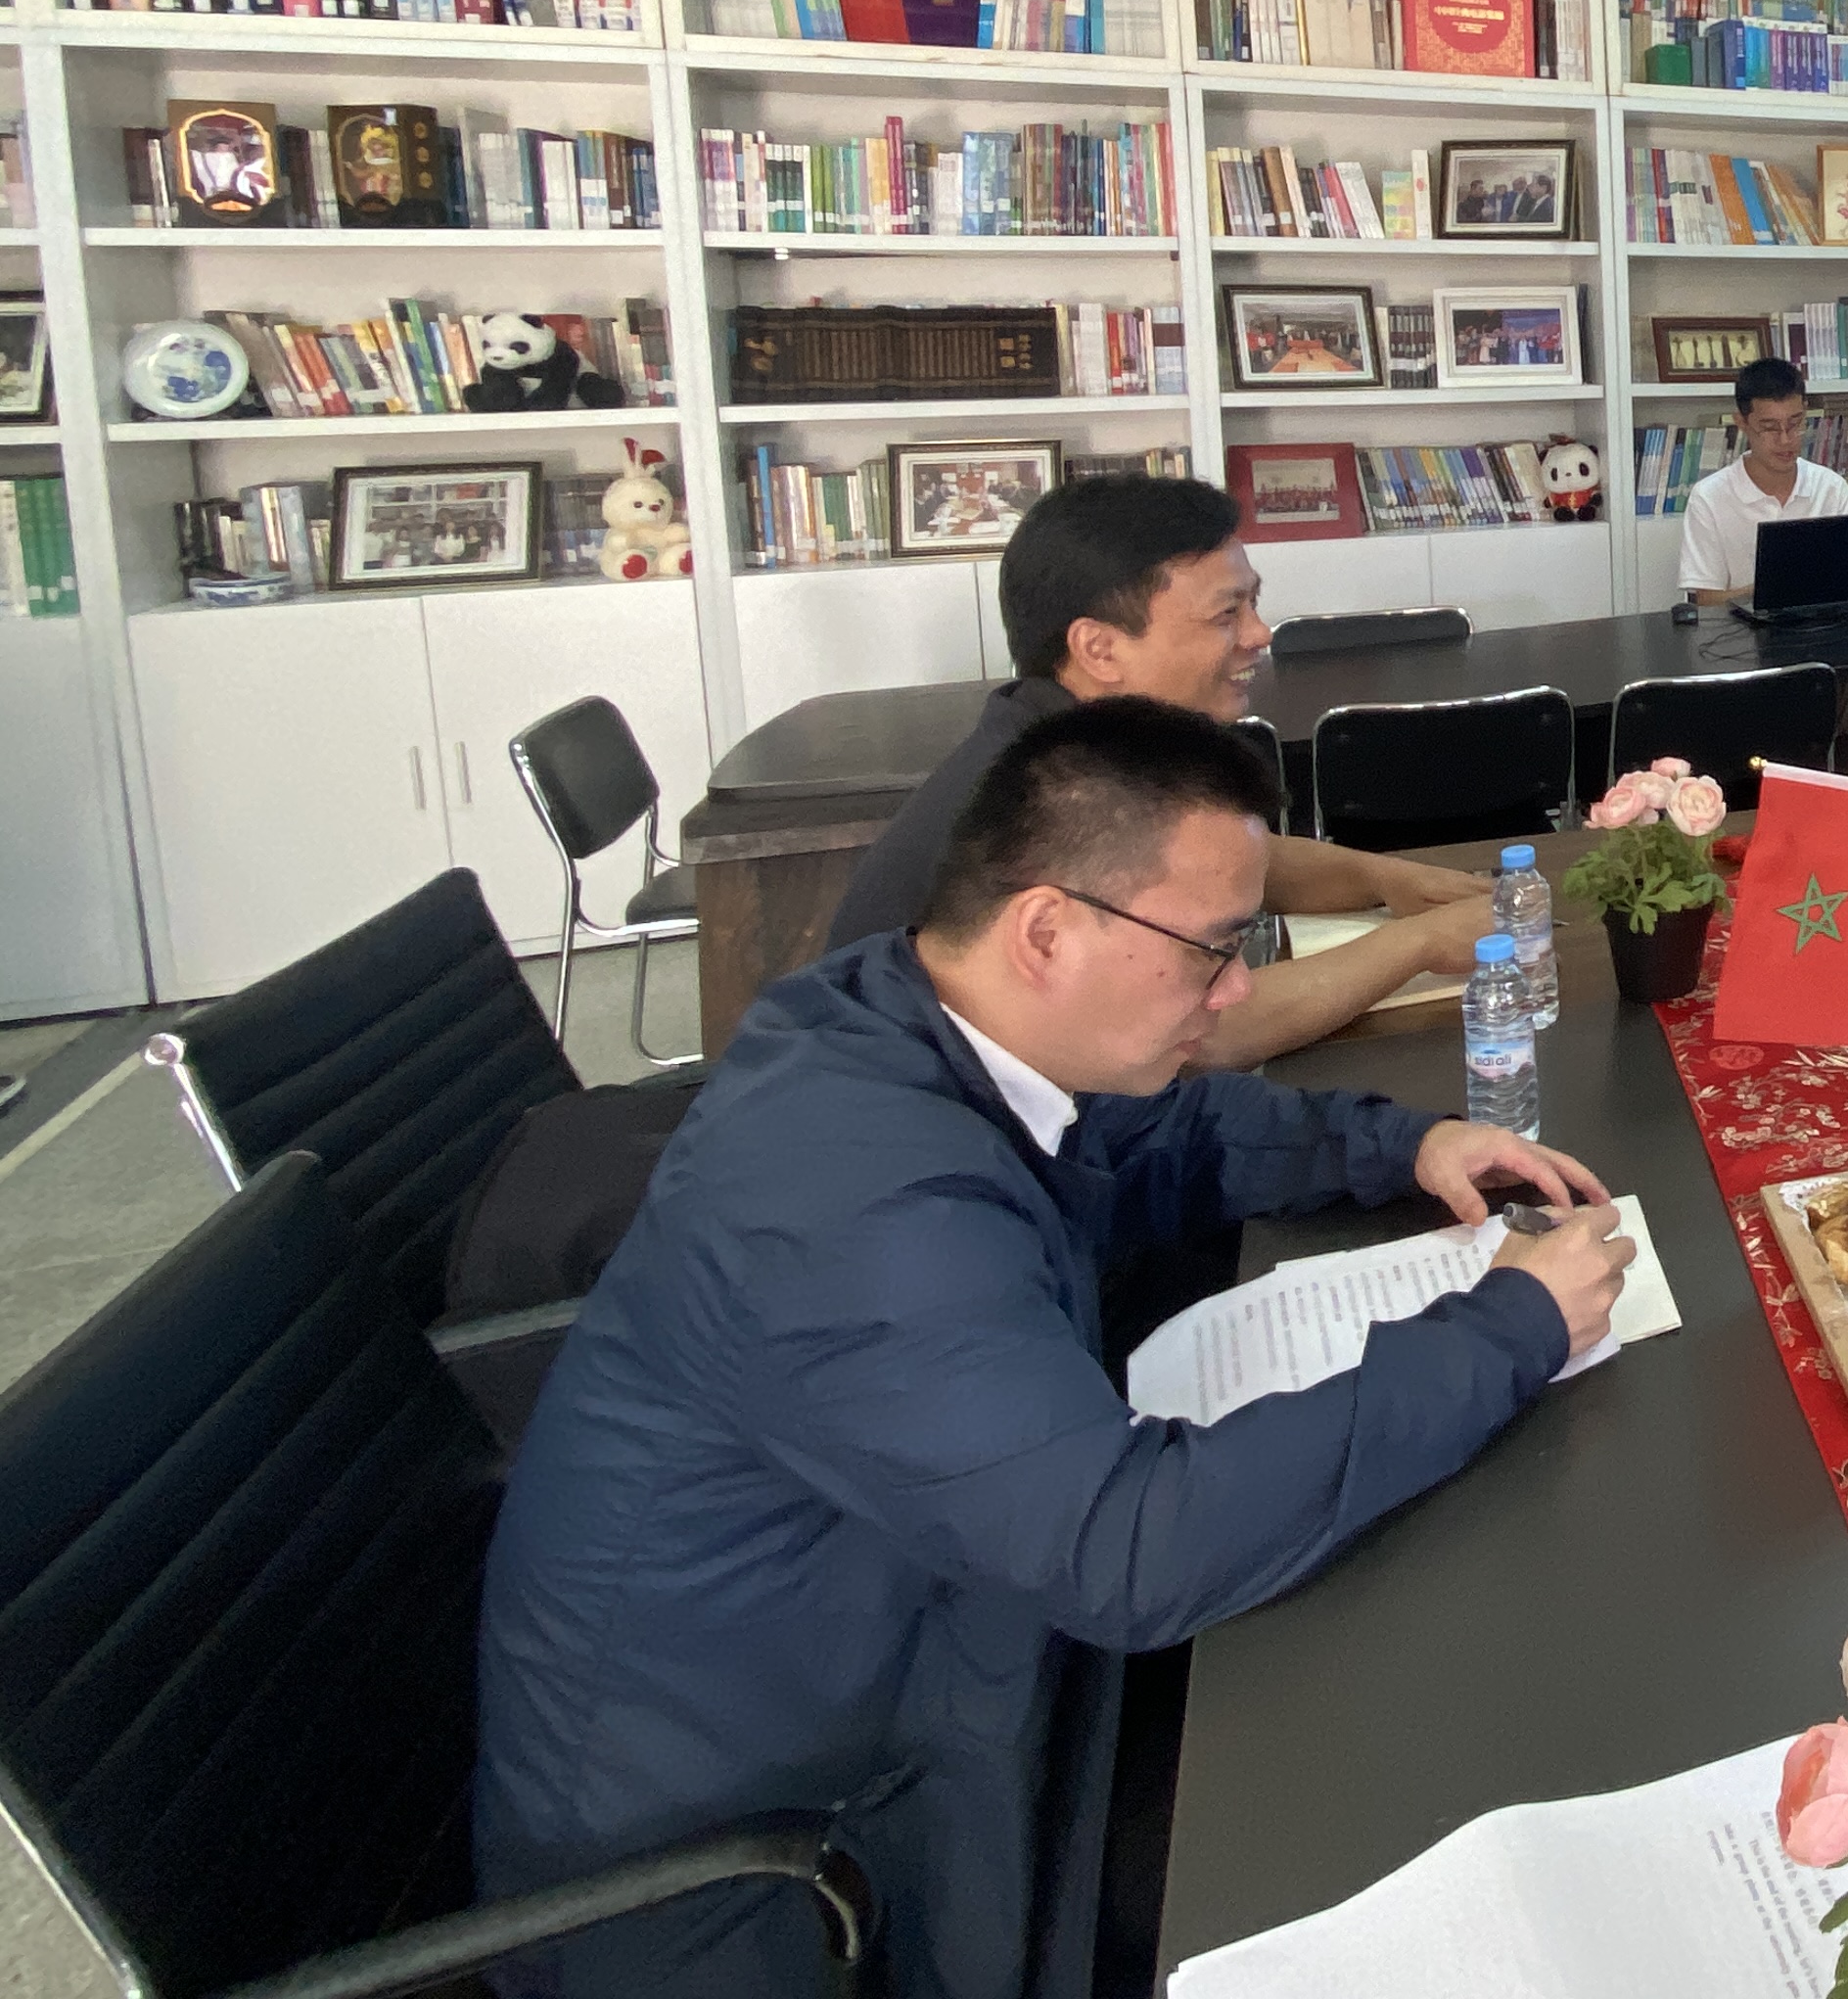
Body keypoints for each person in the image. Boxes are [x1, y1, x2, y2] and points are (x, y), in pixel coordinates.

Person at [475, 698, 1632, 1999]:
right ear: (1045, 931)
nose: (1235, 989)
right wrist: (1508, 1330)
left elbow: (1153, 1141)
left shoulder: (910, 1016)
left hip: (907, 1665)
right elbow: (1130, 1549)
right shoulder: (858, 1212)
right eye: (1210, 950)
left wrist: (1403, 1145)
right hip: (774, 1876)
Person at [827, 471, 1494, 1063]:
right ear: (1099, 649)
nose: (1260, 634)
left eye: (1253, 604)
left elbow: (1224, 864)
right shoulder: (1050, 801)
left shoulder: (1071, 737)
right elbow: (1195, 1035)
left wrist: (1389, 879)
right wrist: (1420, 944)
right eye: (1227, 614)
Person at [1678, 353, 1848, 746]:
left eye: (1795, 424)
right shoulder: (1710, 496)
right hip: (1744, 650)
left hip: (1826, 644)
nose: (1786, 440)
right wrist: (1766, 591)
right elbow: (1703, 598)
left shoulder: (1829, 487)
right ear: (1742, 423)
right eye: (1770, 428)